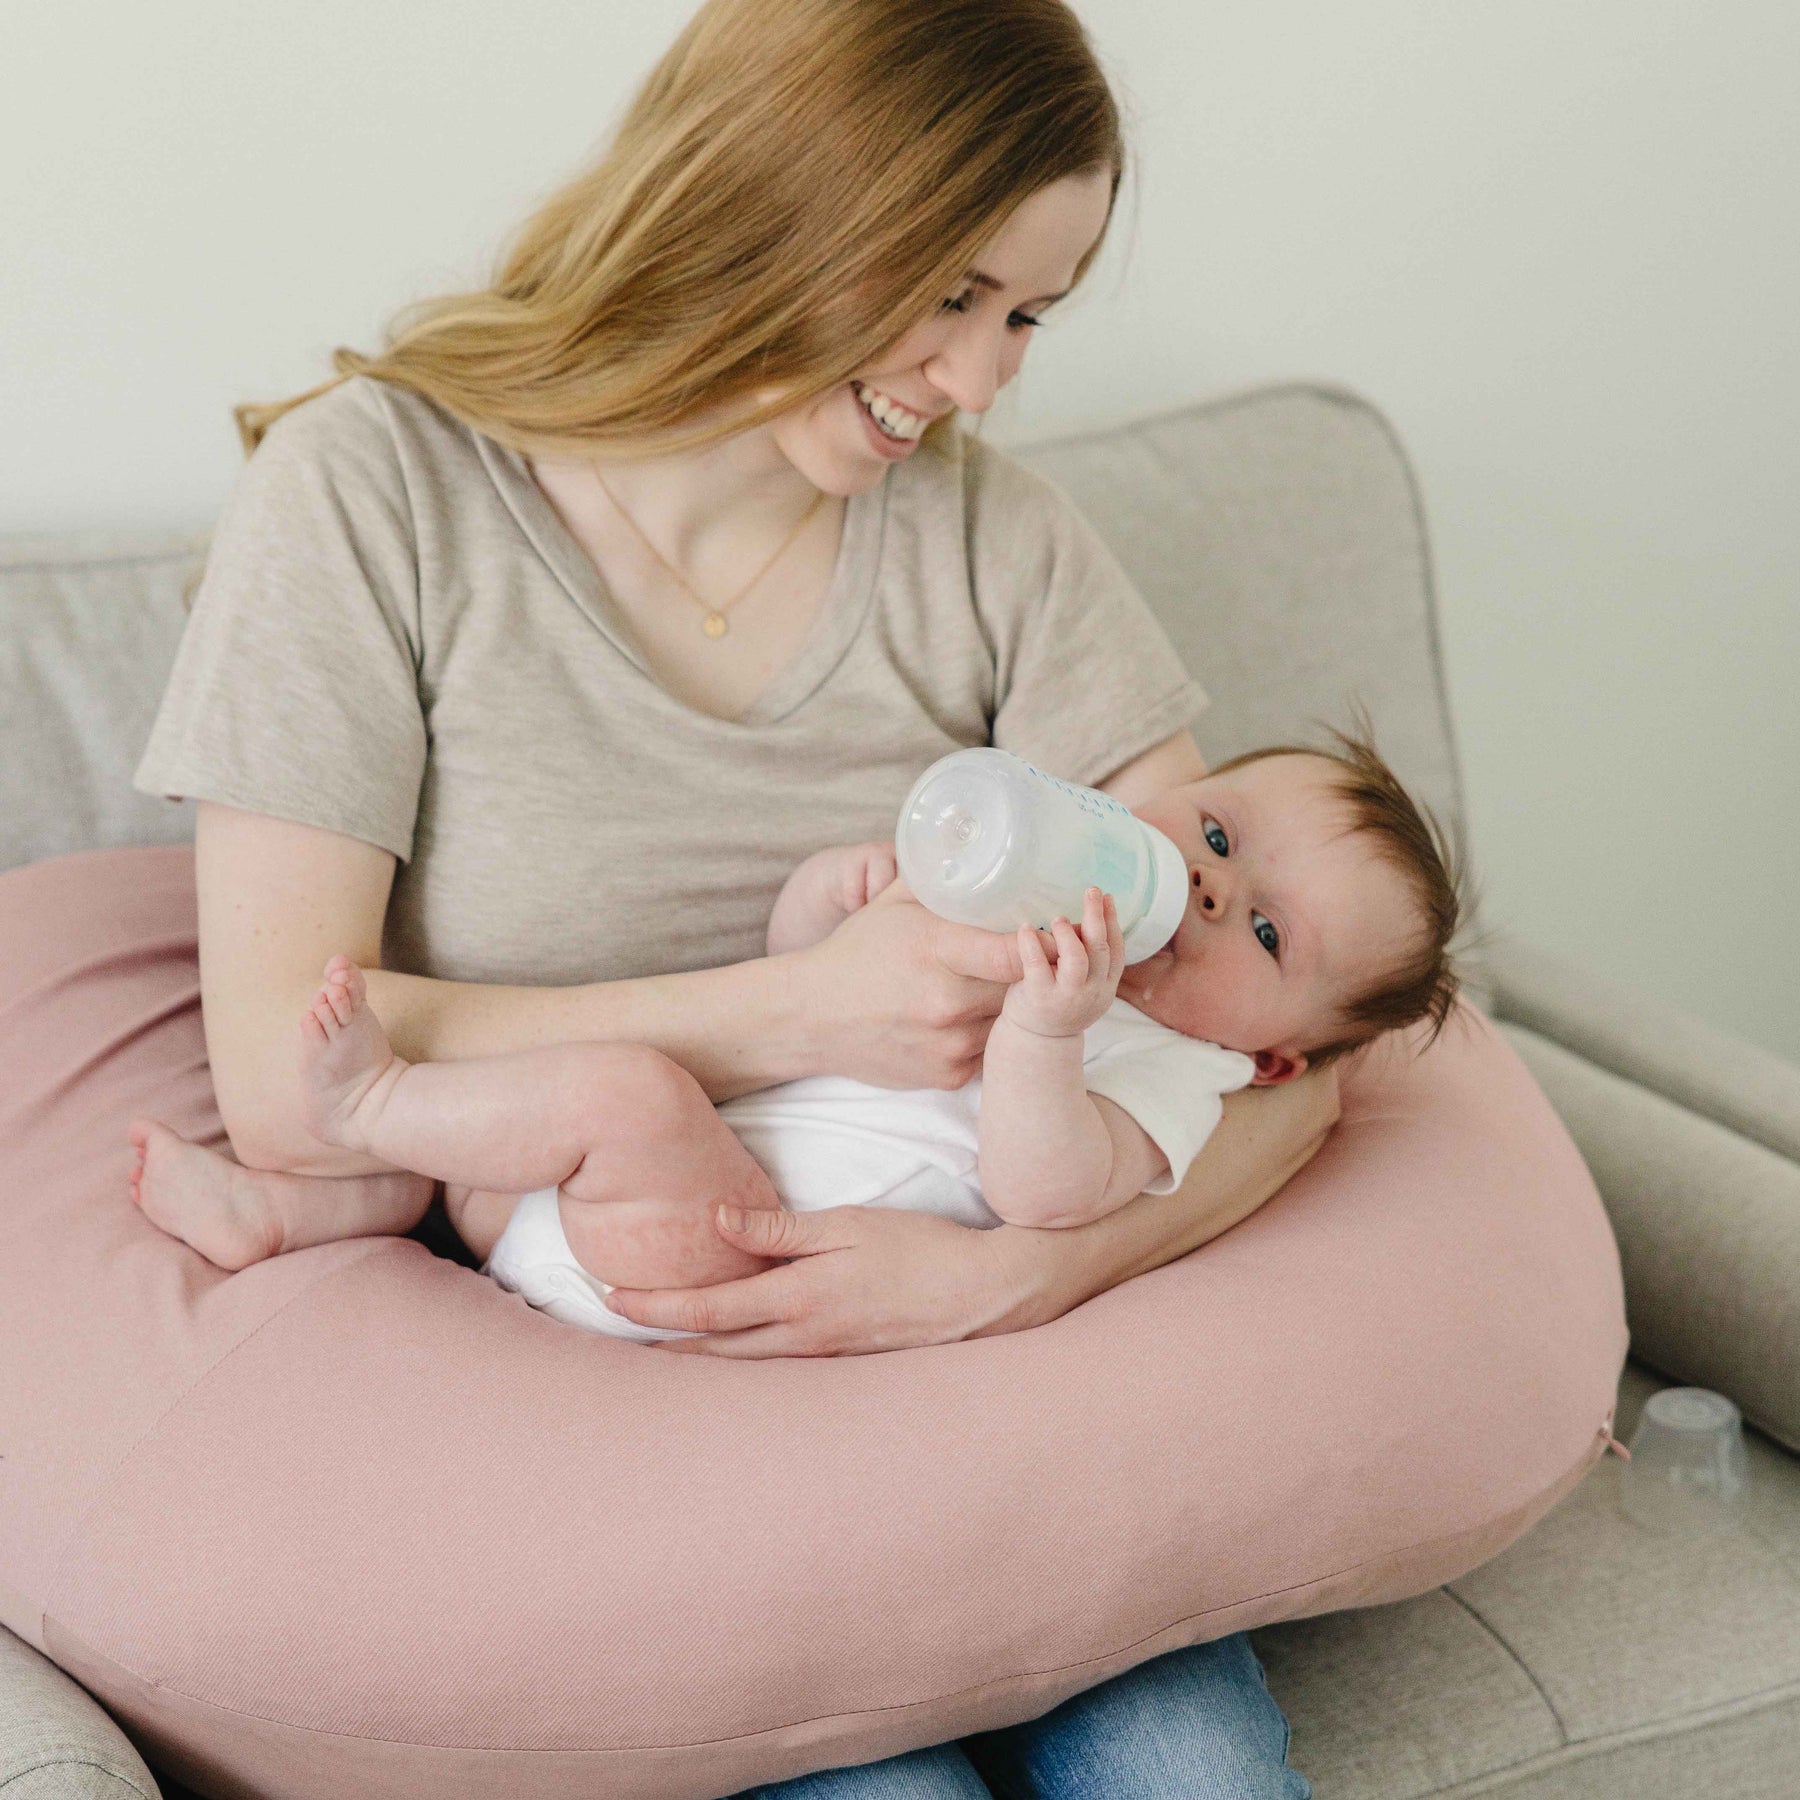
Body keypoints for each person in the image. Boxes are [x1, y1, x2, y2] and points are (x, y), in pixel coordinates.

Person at [129, 0, 1334, 1791]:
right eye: (950, 293)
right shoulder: (378, 498)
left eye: (1028, 317)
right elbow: (284, 1073)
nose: (987, 381)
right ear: (773, 196)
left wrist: (996, 1288)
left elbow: (1264, 1037)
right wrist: (794, 1007)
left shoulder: (1000, 549)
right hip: (647, 1405)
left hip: (971, 1365)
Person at [129, 734, 1463, 1358]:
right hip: (588, 1197)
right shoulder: (1040, 901)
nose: (1212, 890)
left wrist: (1047, 1040)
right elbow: (792, 1011)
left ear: (1279, 1059)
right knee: (532, 1108)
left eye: (1271, 937)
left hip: (721, 1248)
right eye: (1218, 836)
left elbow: (1051, 1192)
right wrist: (823, 914)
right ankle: (297, 1209)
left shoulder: (1182, 1073)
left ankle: (364, 1114)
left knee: (621, 1091)